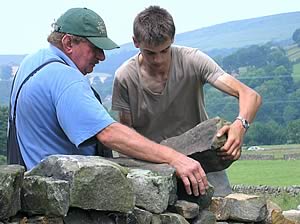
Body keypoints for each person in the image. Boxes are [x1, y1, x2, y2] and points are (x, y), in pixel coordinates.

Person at [7, 7, 208, 197]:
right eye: (95, 48)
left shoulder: (33, 61)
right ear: (68, 43)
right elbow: (109, 133)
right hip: (62, 199)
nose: (101, 56)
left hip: (33, 187)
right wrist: (175, 158)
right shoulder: (65, 78)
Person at [112, 6, 262, 196]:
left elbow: (250, 95)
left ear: (173, 39)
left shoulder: (193, 60)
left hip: (203, 162)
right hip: (155, 166)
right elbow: (126, 132)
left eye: (165, 50)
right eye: (150, 53)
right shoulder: (125, 77)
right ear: (135, 42)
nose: (158, 59)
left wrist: (240, 126)